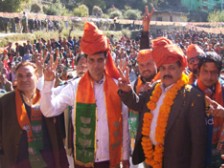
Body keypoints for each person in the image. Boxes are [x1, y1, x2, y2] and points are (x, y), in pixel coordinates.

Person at [40, 22, 130, 168]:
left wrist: (125, 157)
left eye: (100, 60)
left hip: (111, 159)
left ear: (106, 61)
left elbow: (124, 121)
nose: (96, 65)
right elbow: (48, 110)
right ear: (86, 62)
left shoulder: (117, 86)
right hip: (83, 161)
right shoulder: (74, 87)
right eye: (91, 60)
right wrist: (48, 83)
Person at [118, 37, 207, 168]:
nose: (166, 72)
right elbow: (138, 104)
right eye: (163, 68)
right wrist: (127, 91)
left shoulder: (193, 96)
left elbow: (198, 144)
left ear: (181, 68)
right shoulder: (154, 88)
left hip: (177, 162)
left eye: (171, 68)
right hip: (150, 159)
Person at [0, 61, 68, 168]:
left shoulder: (47, 99)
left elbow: (59, 134)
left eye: (28, 75)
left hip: (48, 160)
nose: (24, 79)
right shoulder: (5, 103)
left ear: (37, 76)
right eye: (20, 76)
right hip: (18, 161)